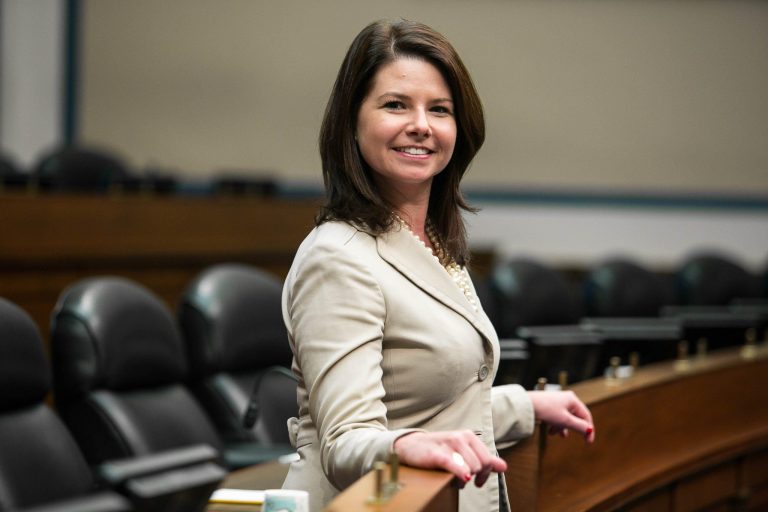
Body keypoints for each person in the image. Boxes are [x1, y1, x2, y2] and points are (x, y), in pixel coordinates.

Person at [280, 18, 595, 512]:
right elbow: (345, 442)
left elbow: (428, 404)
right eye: (395, 104)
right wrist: (404, 445)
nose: (421, 125)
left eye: (440, 109)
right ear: (351, 121)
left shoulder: (432, 243)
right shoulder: (336, 258)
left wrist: (525, 406)